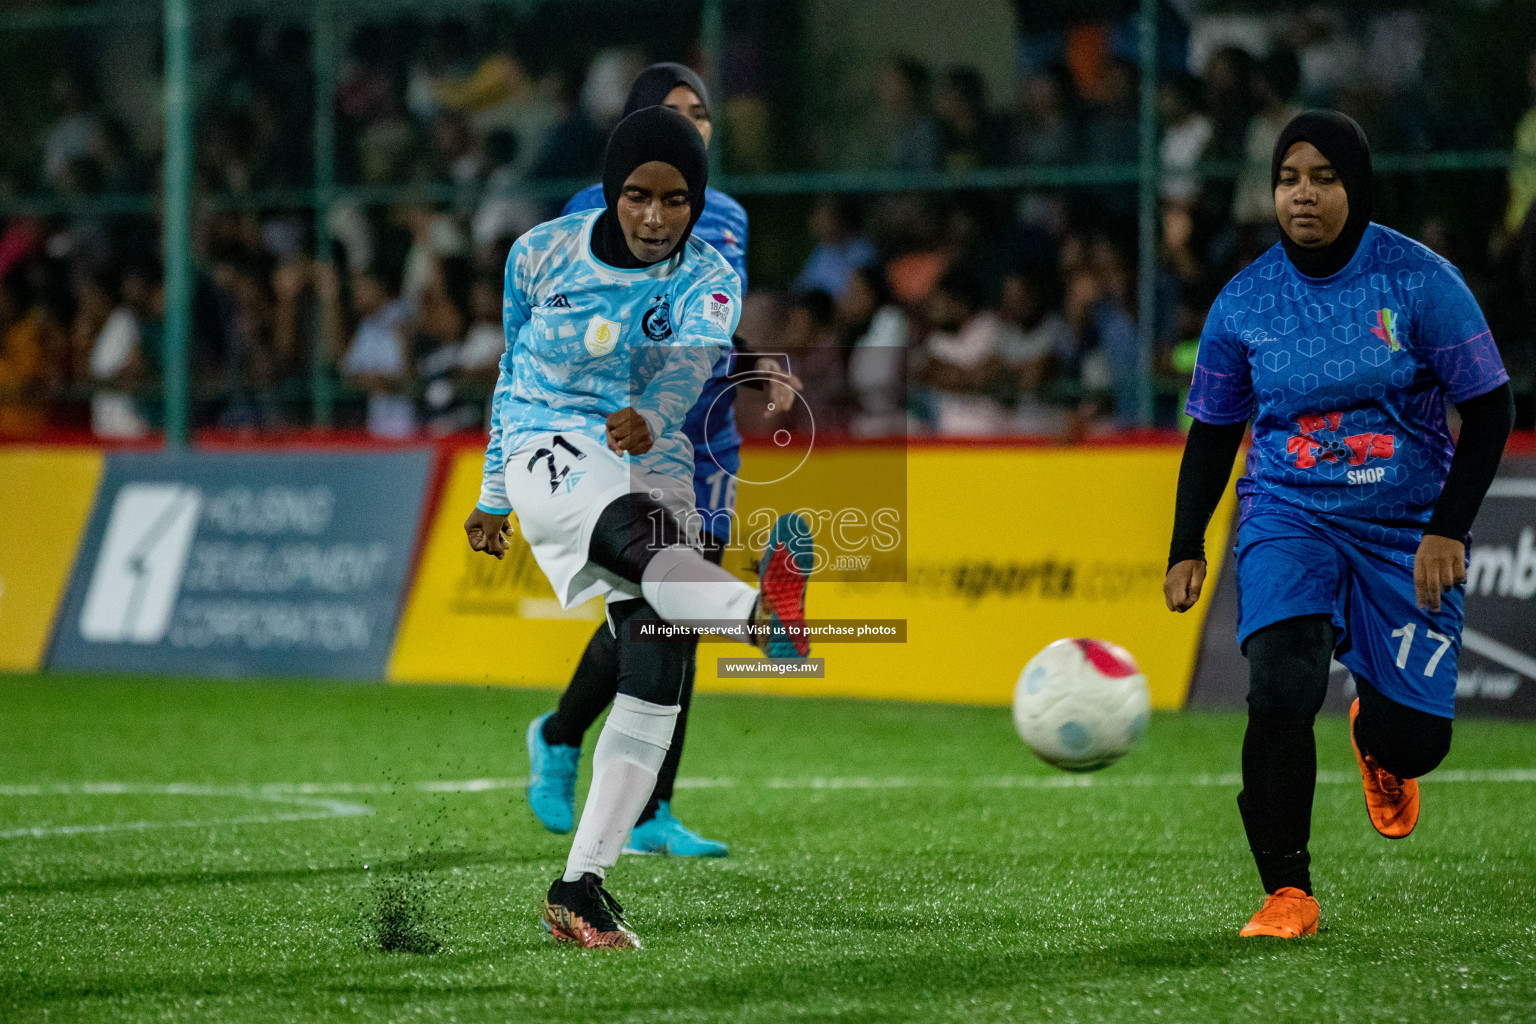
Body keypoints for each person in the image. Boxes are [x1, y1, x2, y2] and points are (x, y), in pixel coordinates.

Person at [462, 106, 812, 950]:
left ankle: (581, 884)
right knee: (644, 544)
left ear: (697, 201)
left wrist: (652, 417)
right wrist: (492, 492)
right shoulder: (540, 253)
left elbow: (691, 369)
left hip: (648, 458)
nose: (657, 217)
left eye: (677, 200)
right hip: (552, 445)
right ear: (611, 193)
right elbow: (513, 371)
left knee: (659, 658)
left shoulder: (710, 277)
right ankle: (761, 616)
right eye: (638, 196)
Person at [1164, 111, 1514, 939]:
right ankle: (1287, 890)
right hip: (1289, 510)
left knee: (1417, 744)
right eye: (1289, 178)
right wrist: (1186, 541)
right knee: (1281, 687)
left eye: (1323, 177)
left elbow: (1492, 409)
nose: (1304, 194)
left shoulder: (1421, 281)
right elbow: (1214, 431)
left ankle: (1378, 734)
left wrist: (1448, 531)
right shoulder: (1243, 302)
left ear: (1354, 186)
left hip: (1405, 526)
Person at [525, 63, 752, 859]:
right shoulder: (589, 215)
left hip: (707, 437)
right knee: (652, 609)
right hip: (622, 442)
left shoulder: (727, 216)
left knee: (676, 620)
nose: (690, 123)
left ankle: (654, 809)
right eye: (670, 111)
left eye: (701, 111)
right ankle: (559, 735)